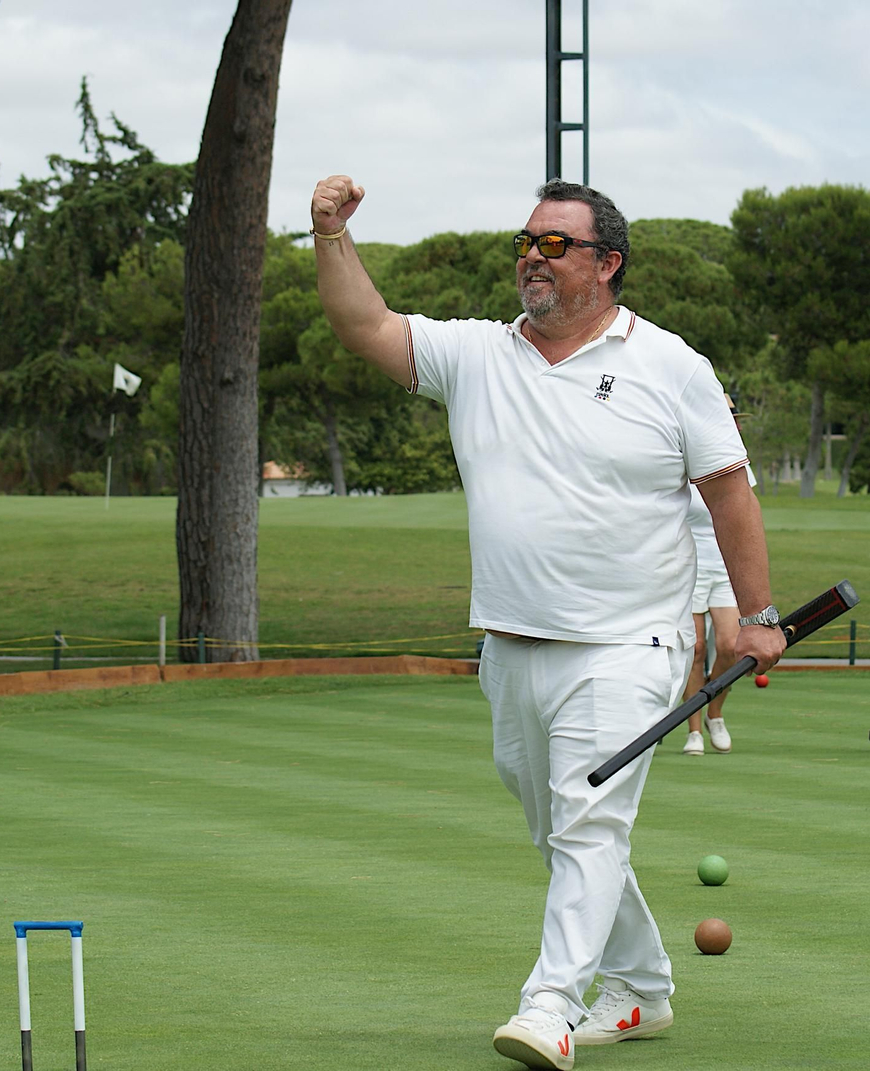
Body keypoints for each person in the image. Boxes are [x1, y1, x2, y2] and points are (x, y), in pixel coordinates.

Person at [310, 174, 787, 1070]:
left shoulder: (672, 365)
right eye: (525, 241)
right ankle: (641, 990)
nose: (532, 254)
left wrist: (752, 615)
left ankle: (549, 1006)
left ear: (607, 264)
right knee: (562, 827)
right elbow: (365, 326)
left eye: (555, 243)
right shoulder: (477, 355)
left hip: (627, 642)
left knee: (588, 824)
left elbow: (729, 493)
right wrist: (330, 235)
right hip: (510, 643)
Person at [681, 396, 755, 757]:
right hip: (689, 566)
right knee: (695, 649)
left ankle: (714, 711)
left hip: (725, 567)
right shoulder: (684, 456)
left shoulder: (738, 464)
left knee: (729, 646)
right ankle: (694, 730)